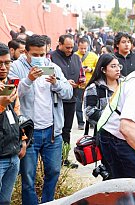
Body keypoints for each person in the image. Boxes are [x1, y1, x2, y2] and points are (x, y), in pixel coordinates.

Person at [8, 34, 73, 205]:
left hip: (52, 131)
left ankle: (48, 202)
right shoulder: (16, 67)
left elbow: (68, 92)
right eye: (35, 55)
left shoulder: (53, 68)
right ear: (26, 53)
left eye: (42, 54)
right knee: (28, 176)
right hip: (27, 133)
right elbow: (12, 95)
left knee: (53, 171)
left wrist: (56, 84)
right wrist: (28, 79)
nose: (39, 59)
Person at [50, 34, 83, 168]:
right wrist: (63, 83)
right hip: (56, 99)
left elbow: (81, 74)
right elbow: (47, 76)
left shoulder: (76, 58)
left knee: (67, 130)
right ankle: (54, 159)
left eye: (71, 47)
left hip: (71, 98)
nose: (70, 50)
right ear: (60, 44)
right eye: (67, 47)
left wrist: (79, 82)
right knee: (55, 129)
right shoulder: (51, 57)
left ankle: (64, 158)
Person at [0, 42, 25, 205]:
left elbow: (17, 116)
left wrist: (23, 140)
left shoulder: (10, 85)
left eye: (7, 63)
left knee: (5, 201)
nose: (3, 67)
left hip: (12, 155)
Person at [75, 38, 98, 130]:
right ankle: (81, 122)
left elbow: (98, 68)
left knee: (91, 105)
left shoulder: (93, 56)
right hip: (79, 85)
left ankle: (92, 121)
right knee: (78, 104)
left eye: (85, 48)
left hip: (90, 84)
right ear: (78, 46)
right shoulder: (75, 56)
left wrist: (90, 69)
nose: (83, 50)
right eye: (81, 48)